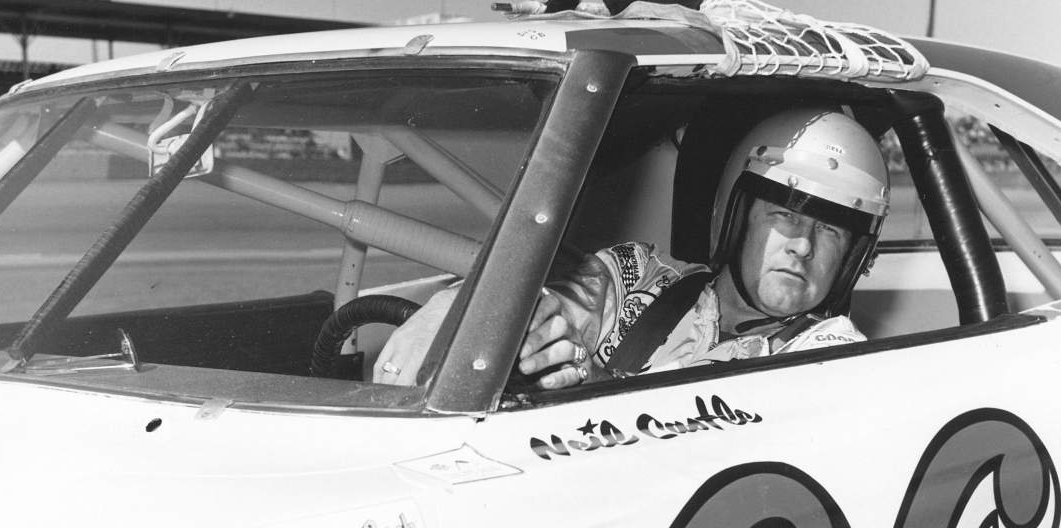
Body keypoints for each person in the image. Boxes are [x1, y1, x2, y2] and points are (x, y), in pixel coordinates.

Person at [374, 107, 890, 389]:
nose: (802, 245)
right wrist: (460, 307)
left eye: (831, 231)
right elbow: (554, 301)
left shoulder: (834, 359)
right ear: (737, 217)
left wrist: (593, 383)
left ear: (853, 258)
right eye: (785, 215)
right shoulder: (639, 275)